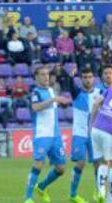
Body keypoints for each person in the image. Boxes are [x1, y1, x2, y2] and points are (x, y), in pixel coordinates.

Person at [24, 66, 70, 203]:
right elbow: (36, 107)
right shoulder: (35, 93)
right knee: (38, 164)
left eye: (47, 74)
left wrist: (60, 101)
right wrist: (53, 100)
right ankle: (28, 198)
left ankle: (42, 187)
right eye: (42, 75)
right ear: (36, 77)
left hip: (55, 135)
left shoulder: (51, 90)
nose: (46, 77)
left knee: (61, 169)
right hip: (42, 134)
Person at [68, 67, 102, 203]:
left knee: (98, 165)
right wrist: (70, 77)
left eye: (89, 77)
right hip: (80, 134)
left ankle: (99, 192)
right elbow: (71, 85)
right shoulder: (76, 93)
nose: (88, 80)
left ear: (93, 78)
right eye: (85, 77)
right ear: (81, 79)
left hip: (94, 134)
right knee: (80, 164)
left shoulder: (100, 93)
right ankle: (73, 194)